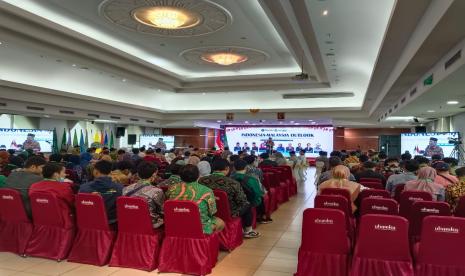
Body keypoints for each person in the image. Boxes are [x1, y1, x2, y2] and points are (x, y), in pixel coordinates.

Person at [198, 159, 258, 238]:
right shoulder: (232, 182)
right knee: (247, 204)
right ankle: (248, 231)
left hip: (209, 210)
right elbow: (242, 201)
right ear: (227, 168)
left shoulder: (201, 180)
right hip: (229, 212)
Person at [167, 164, 224, 234]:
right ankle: (208, 243)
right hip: (199, 227)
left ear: (180, 176)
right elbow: (212, 212)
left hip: (176, 224)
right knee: (220, 222)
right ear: (198, 176)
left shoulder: (172, 188)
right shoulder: (207, 191)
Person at [29, 162, 74, 227]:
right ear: (56, 174)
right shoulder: (64, 187)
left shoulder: (33, 186)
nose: (65, 175)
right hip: (62, 221)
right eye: (63, 172)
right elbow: (72, 204)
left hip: (40, 219)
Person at [123, 162, 164, 228]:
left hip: (129, 222)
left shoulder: (126, 189)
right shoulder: (157, 191)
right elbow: (162, 211)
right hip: (149, 224)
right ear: (154, 175)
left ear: (138, 175)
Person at [231, 159, 270, 226]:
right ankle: (262, 217)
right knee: (261, 197)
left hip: (234, 202)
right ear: (246, 167)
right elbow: (258, 193)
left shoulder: (230, 178)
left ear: (233, 167)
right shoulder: (252, 179)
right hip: (250, 202)